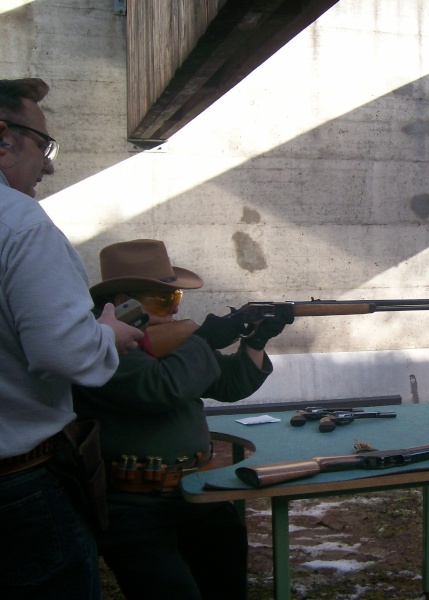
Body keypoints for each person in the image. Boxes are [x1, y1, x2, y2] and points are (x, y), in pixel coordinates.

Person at [73, 238, 292, 600]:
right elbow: (161, 388)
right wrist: (205, 340)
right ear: (121, 303)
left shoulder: (169, 341)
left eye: (175, 298)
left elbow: (230, 383)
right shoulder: (99, 345)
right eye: (163, 300)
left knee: (225, 579)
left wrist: (255, 341)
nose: (174, 309)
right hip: (133, 506)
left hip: (194, 493)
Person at [0, 78, 143, 599]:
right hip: (15, 486)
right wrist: (106, 335)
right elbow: (63, 351)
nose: (49, 165)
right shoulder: (19, 224)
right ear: (3, 138)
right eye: (44, 144)